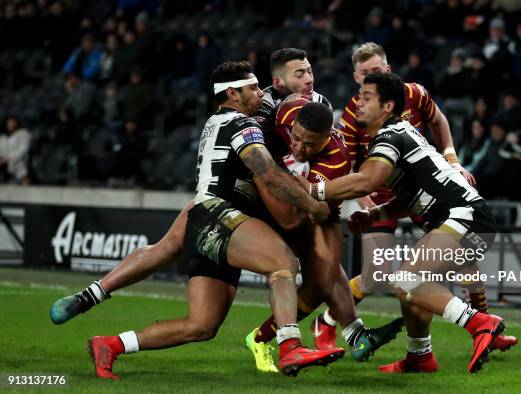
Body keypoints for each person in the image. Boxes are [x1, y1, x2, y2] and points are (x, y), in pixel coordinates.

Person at [81, 61, 343, 379]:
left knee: (202, 326)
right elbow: (267, 172)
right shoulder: (240, 124)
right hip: (218, 217)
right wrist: (311, 205)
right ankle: (290, 347)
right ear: (232, 93)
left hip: (207, 221)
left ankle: (110, 344)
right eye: (253, 88)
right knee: (282, 261)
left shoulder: (218, 121)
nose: (260, 94)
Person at [49, 48, 332, 327]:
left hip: (217, 196)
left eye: (309, 71)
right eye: (300, 73)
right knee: (291, 259)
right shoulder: (263, 105)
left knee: (169, 255)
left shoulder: (310, 105)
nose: (308, 78)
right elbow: (265, 169)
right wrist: (312, 201)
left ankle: (91, 296)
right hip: (238, 196)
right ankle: (300, 335)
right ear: (280, 80)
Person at [314, 42, 515, 358]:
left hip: (454, 211)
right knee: (395, 281)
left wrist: (315, 191)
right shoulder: (365, 122)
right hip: (409, 199)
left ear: (388, 86)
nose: (360, 99)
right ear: (355, 76)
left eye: (375, 79)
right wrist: (372, 208)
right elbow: (365, 174)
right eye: (364, 79)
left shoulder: (394, 128)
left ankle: (482, 324)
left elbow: (369, 175)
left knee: (407, 279)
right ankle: (419, 356)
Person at [245, 97, 403, 373]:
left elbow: (304, 214)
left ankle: (265, 337)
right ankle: (352, 333)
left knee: (324, 273)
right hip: (268, 201)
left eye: (309, 144)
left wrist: (268, 174)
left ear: (325, 139)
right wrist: (266, 170)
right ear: (291, 125)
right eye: (296, 138)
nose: (299, 147)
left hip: (313, 209)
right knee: (320, 271)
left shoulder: (335, 158)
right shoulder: (287, 112)